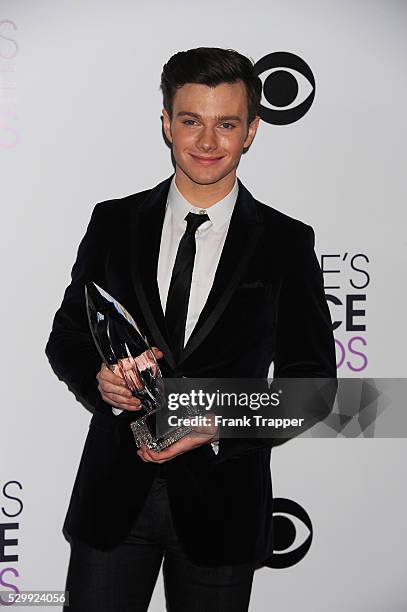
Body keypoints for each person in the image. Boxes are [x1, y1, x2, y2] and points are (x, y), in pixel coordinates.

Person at [45, 47, 337, 612]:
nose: (207, 141)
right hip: (113, 500)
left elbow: (313, 386)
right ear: (166, 124)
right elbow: (68, 338)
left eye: (226, 124)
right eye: (191, 121)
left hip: (223, 507)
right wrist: (99, 380)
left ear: (251, 130)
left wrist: (218, 424)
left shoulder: (285, 243)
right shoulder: (114, 222)